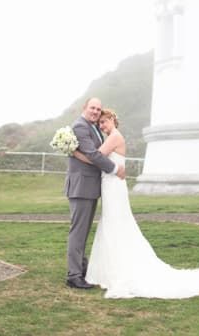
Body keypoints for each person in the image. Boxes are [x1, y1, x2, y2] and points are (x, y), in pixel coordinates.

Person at [73, 108, 199, 299]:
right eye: (100, 123)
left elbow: (96, 157)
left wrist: (74, 152)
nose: (102, 125)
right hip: (110, 184)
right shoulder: (111, 136)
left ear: (112, 119)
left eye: (104, 121)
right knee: (112, 223)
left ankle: (120, 269)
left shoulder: (114, 137)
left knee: (116, 223)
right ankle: (108, 268)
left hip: (113, 187)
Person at [65, 97, 125, 289]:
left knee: (82, 231)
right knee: (78, 231)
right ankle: (74, 275)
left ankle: (81, 267)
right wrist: (115, 169)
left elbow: (95, 154)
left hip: (90, 186)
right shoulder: (81, 126)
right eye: (92, 108)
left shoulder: (93, 128)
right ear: (85, 107)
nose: (95, 112)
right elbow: (93, 155)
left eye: (98, 109)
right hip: (81, 186)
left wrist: (77, 153)